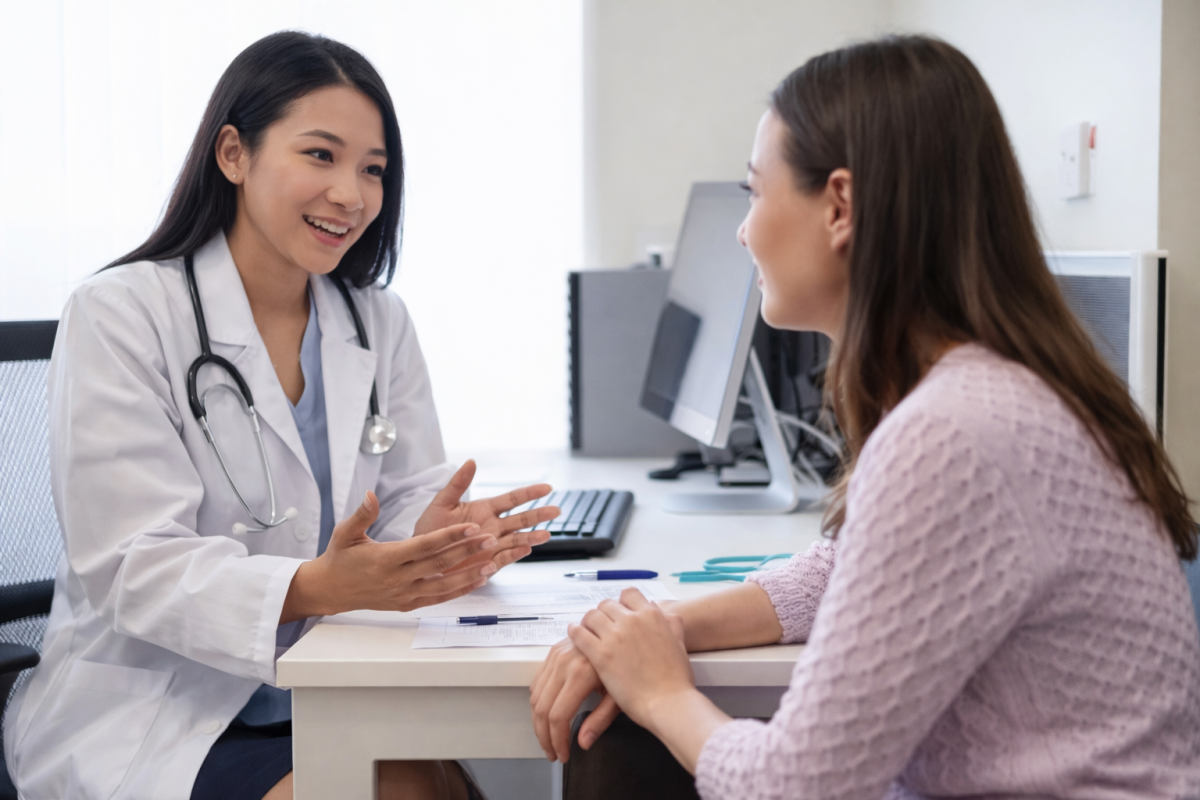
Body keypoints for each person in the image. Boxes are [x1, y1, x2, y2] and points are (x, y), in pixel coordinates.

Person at [530, 35, 1200, 799]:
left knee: (627, 739)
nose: (744, 231)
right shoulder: (995, 391)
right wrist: (666, 629)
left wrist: (660, 692)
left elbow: (798, 788)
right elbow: (850, 567)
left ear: (840, 206)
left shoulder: (953, 432)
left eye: (755, 193)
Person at [3, 31, 559, 800]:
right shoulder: (120, 314)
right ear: (234, 154)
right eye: (320, 156)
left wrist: (435, 537)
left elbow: (395, 499)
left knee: (476, 775)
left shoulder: (375, 320)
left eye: (373, 170)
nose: (352, 195)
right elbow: (132, 566)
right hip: (164, 710)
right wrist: (319, 585)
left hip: (328, 682)